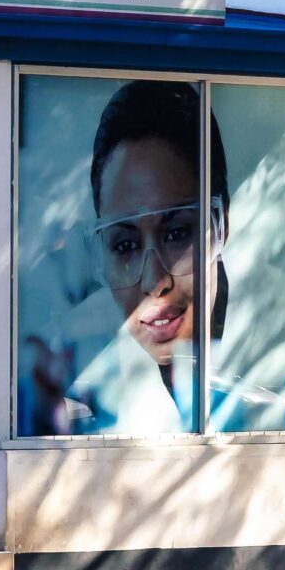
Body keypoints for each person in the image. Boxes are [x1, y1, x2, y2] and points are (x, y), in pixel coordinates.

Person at [71, 80, 230, 432]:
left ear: (222, 225)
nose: (155, 281)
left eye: (177, 233)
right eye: (125, 246)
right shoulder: (76, 380)